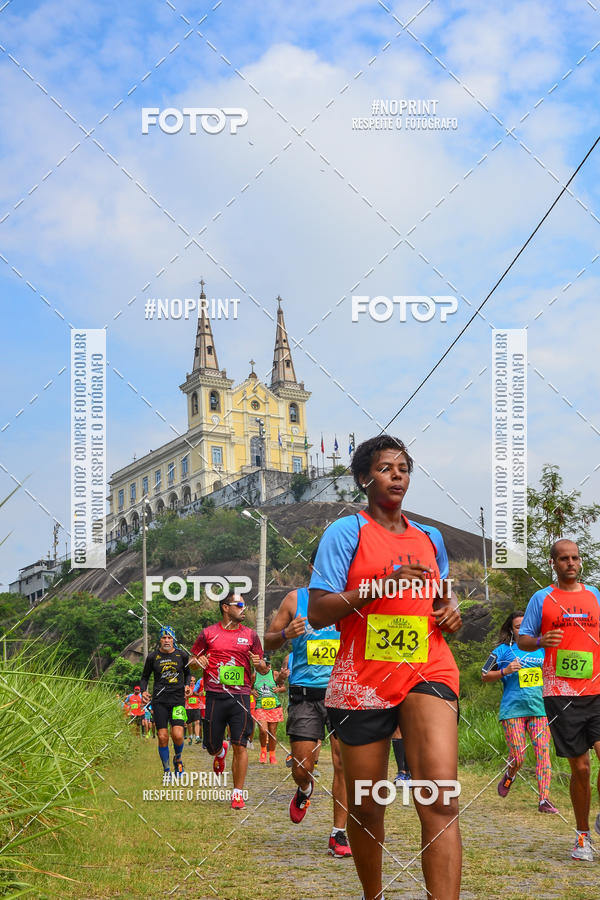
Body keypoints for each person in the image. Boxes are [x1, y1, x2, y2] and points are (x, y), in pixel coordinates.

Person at [308, 435, 462, 900]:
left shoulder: (430, 538)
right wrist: (379, 586)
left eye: (404, 467)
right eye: (386, 468)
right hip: (364, 678)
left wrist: (450, 610)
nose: (398, 475)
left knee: (439, 796)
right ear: (363, 478)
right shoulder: (345, 533)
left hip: (427, 667)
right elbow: (318, 612)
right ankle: (371, 894)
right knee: (367, 805)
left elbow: (442, 595)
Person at [265, 548, 352, 858]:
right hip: (305, 694)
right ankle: (304, 789)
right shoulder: (295, 599)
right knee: (303, 766)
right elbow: (268, 640)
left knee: (344, 765)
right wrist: (286, 633)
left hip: (343, 692)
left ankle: (338, 833)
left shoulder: (351, 600)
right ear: (314, 565)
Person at [518, 539, 600, 861]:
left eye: (575, 557)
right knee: (580, 768)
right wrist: (540, 639)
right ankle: (582, 837)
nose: (570, 563)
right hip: (560, 694)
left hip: (597, 689)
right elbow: (524, 639)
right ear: (553, 563)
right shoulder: (542, 599)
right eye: (563, 558)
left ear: (580, 562)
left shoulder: (595, 595)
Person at [191, 592, 269, 810]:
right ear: (226, 608)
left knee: (240, 745)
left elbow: (263, 666)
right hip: (215, 695)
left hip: (241, 696)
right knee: (211, 747)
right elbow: (192, 661)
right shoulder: (208, 634)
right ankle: (220, 752)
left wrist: (260, 664)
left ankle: (237, 793)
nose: (244, 608)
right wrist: (199, 661)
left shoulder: (251, 635)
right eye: (240, 604)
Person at [481, 611, 557, 812]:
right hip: (513, 710)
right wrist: (505, 670)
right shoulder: (503, 650)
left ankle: (544, 799)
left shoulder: (543, 649)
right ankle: (510, 775)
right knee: (519, 756)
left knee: (543, 752)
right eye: (517, 627)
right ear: (511, 630)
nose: (522, 629)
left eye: (525, 626)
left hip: (539, 709)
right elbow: (484, 674)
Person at [140, 626, 191, 782]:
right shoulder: (152, 657)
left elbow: (188, 673)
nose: (167, 640)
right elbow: (144, 677)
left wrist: (188, 685)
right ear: (160, 640)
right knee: (162, 737)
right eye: (164, 638)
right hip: (160, 701)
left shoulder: (182, 655)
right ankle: (167, 770)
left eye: (169, 637)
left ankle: (178, 759)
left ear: (173, 639)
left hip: (177, 700)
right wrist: (143, 691)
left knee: (177, 735)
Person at [253, 660, 285, 764]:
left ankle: (272, 754)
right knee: (263, 730)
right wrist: (252, 691)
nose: (261, 671)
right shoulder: (254, 676)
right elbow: (247, 687)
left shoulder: (274, 674)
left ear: (268, 667)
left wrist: (279, 690)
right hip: (260, 706)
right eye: (259, 669)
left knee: (272, 732)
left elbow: (283, 687)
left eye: (262, 669)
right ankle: (263, 751)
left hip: (274, 707)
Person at [186, 676, 203, 745]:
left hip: (196, 707)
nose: (192, 682)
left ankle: (197, 737)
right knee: (189, 724)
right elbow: (185, 696)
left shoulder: (197, 687)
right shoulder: (186, 687)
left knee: (197, 722)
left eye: (194, 681)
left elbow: (200, 694)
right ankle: (190, 737)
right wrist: (190, 694)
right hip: (188, 707)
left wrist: (199, 696)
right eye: (191, 681)